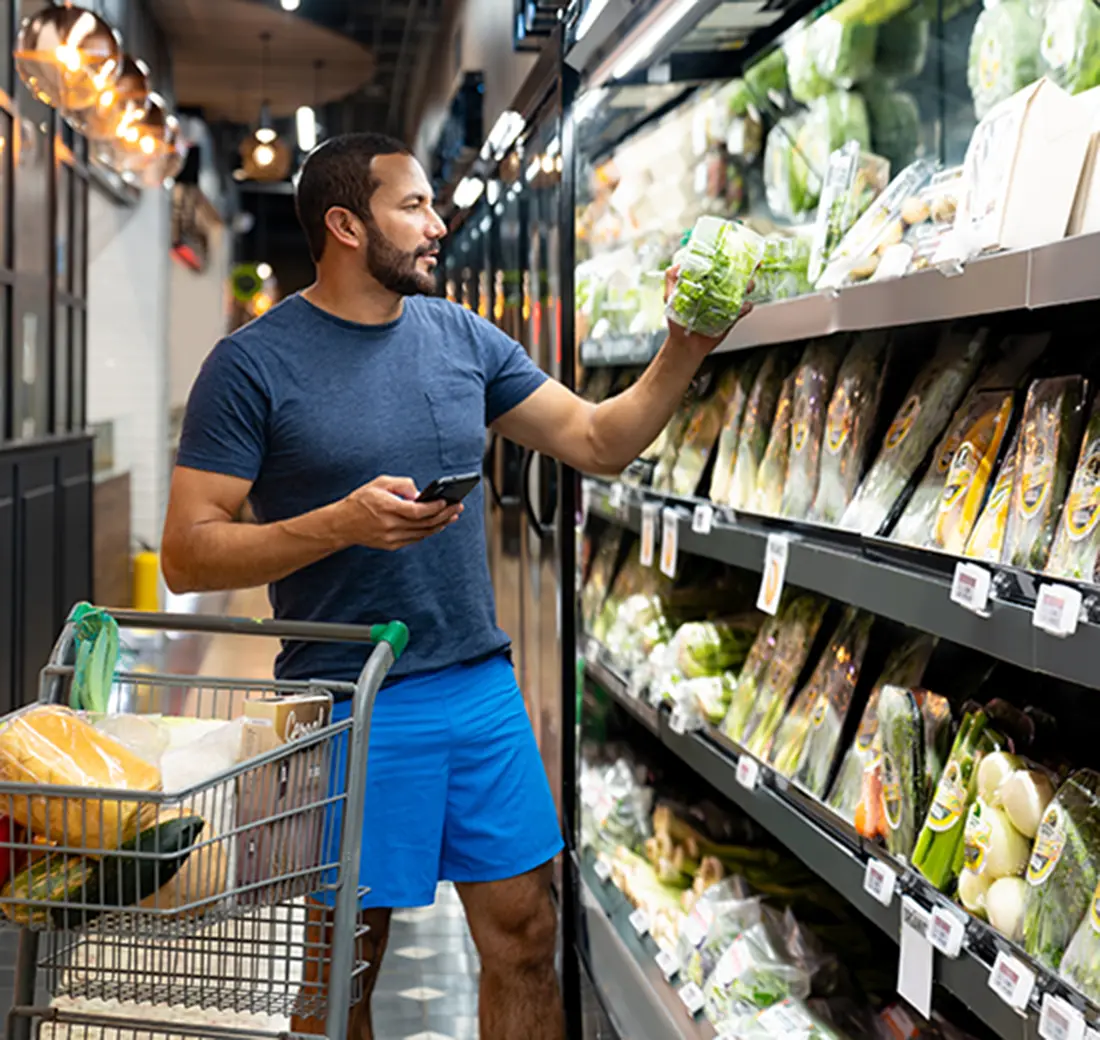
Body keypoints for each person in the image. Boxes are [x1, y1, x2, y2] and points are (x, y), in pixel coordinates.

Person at [161, 132, 750, 1040]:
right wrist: (340, 523)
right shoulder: (250, 366)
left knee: (525, 932)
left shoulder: (461, 336)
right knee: (341, 967)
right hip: (346, 695)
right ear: (346, 224)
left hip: (478, 685)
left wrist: (686, 344)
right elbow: (188, 555)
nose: (439, 225)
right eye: (415, 207)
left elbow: (597, 440)